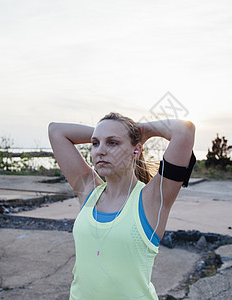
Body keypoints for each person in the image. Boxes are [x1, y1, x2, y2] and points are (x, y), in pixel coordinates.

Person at [48, 112, 195, 299]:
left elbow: (185, 130)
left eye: (112, 143)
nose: (100, 151)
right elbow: (56, 130)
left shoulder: (152, 199)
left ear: (136, 150)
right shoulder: (89, 191)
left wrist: (140, 130)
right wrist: (110, 131)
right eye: (95, 143)